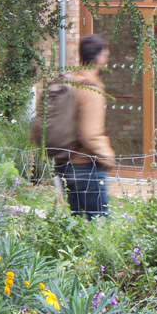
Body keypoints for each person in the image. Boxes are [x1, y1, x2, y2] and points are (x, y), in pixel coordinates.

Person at [37, 35, 115, 218]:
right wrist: (108, 157)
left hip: (64, 163)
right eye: (106, 56)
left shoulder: (71, 81)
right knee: (97, 227)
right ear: (99, 58)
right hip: (85, 166)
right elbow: (90, 134)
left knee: (77, 225)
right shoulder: (91, 89)